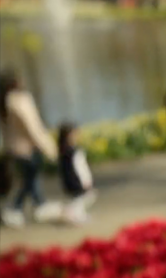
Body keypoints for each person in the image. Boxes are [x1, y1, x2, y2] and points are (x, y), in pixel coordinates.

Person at [0, 70, 59, 226]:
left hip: (13, 148)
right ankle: (16, 208)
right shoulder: (20, 101)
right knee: (29, 179)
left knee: (30, 178)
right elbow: (32, 127)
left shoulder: (4, 102)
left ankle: (39, 205)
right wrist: (48, 147)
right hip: (27, 148)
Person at [57, 123, 97, 225]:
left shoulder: (63, 151)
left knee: (79, 199)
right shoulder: (72, 152)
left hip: (70, 180)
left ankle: (78, 214)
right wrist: (85, 180)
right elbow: (79, 168)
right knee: (85, 197)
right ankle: (73, 213)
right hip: (77, 180)